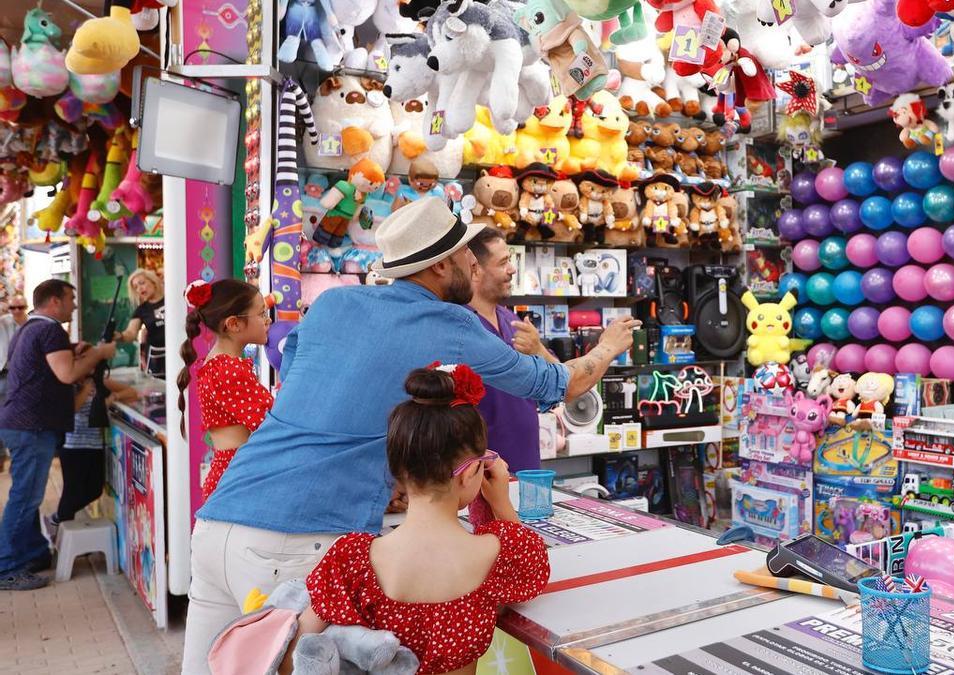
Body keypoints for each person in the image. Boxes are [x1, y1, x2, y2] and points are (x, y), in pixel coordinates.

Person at [181, 197, 637, 672]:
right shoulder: (447, 322)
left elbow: (297, 374)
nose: (473, 266)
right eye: (465, 254)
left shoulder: (334, 302)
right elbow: (555, 384)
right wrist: (606, 347)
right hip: (296, 537)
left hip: (218, 524)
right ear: (441, 266)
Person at [283, 365, 549, 675]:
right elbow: (530, 568)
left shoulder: (352, 560)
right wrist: (502, 503)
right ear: (469, 473)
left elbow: (294, 659)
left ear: (397, 470)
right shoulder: (502, 553)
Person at [0, 279, 116, 591]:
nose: (74, 305)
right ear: (54, 301)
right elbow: (67, 374)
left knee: (28, 496)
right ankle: (7, 567)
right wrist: (98, 354)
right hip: (31, 427)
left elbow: (50, 367)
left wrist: (75, 350)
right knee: (25, 498)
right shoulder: (49, 329)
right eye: (70, 299)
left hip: (23, 424)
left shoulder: (30, 328)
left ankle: (34, 554)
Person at [467, 227, 557, 472]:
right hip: (478, 481)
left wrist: (538, 349)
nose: (513, 269)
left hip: (528, 472)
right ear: (475, 269)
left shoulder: (512, 320)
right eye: (504, 262)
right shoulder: (458, 326)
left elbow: (559, 383)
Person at [176, 279, 274, 500]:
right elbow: (269, 423)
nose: (268, 320)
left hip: (232, 474)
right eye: (261, 314)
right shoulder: (227, 369)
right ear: (233, 324)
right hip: (238, 478)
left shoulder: (218, 364)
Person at [42, 372, 137, 541]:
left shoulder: (100, 382)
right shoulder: (68, 384)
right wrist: (86, 389)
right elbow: (71, 409)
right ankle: (61, 534)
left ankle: (57, 520)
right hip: (73, 447)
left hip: (94, 445)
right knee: (72, 493)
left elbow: (132, 393)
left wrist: (112, 397)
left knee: (94, 489)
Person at [114, 269, 166, 378]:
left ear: (153, 281)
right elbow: (131, 333)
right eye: (136, 287)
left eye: (142, 283)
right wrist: (119, 336)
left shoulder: (170, 299)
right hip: (157, 359)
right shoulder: (141, 310)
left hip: (179, 352)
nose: (139, 288)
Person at [0, 295, 29, 472]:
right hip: (4, 374)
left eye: (20, 307)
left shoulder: (31, 324)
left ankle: (17, 456)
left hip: (23, 376)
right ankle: (4, 455)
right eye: (13, 308)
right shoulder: (4, 322)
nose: (17, 311)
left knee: (18, 417)